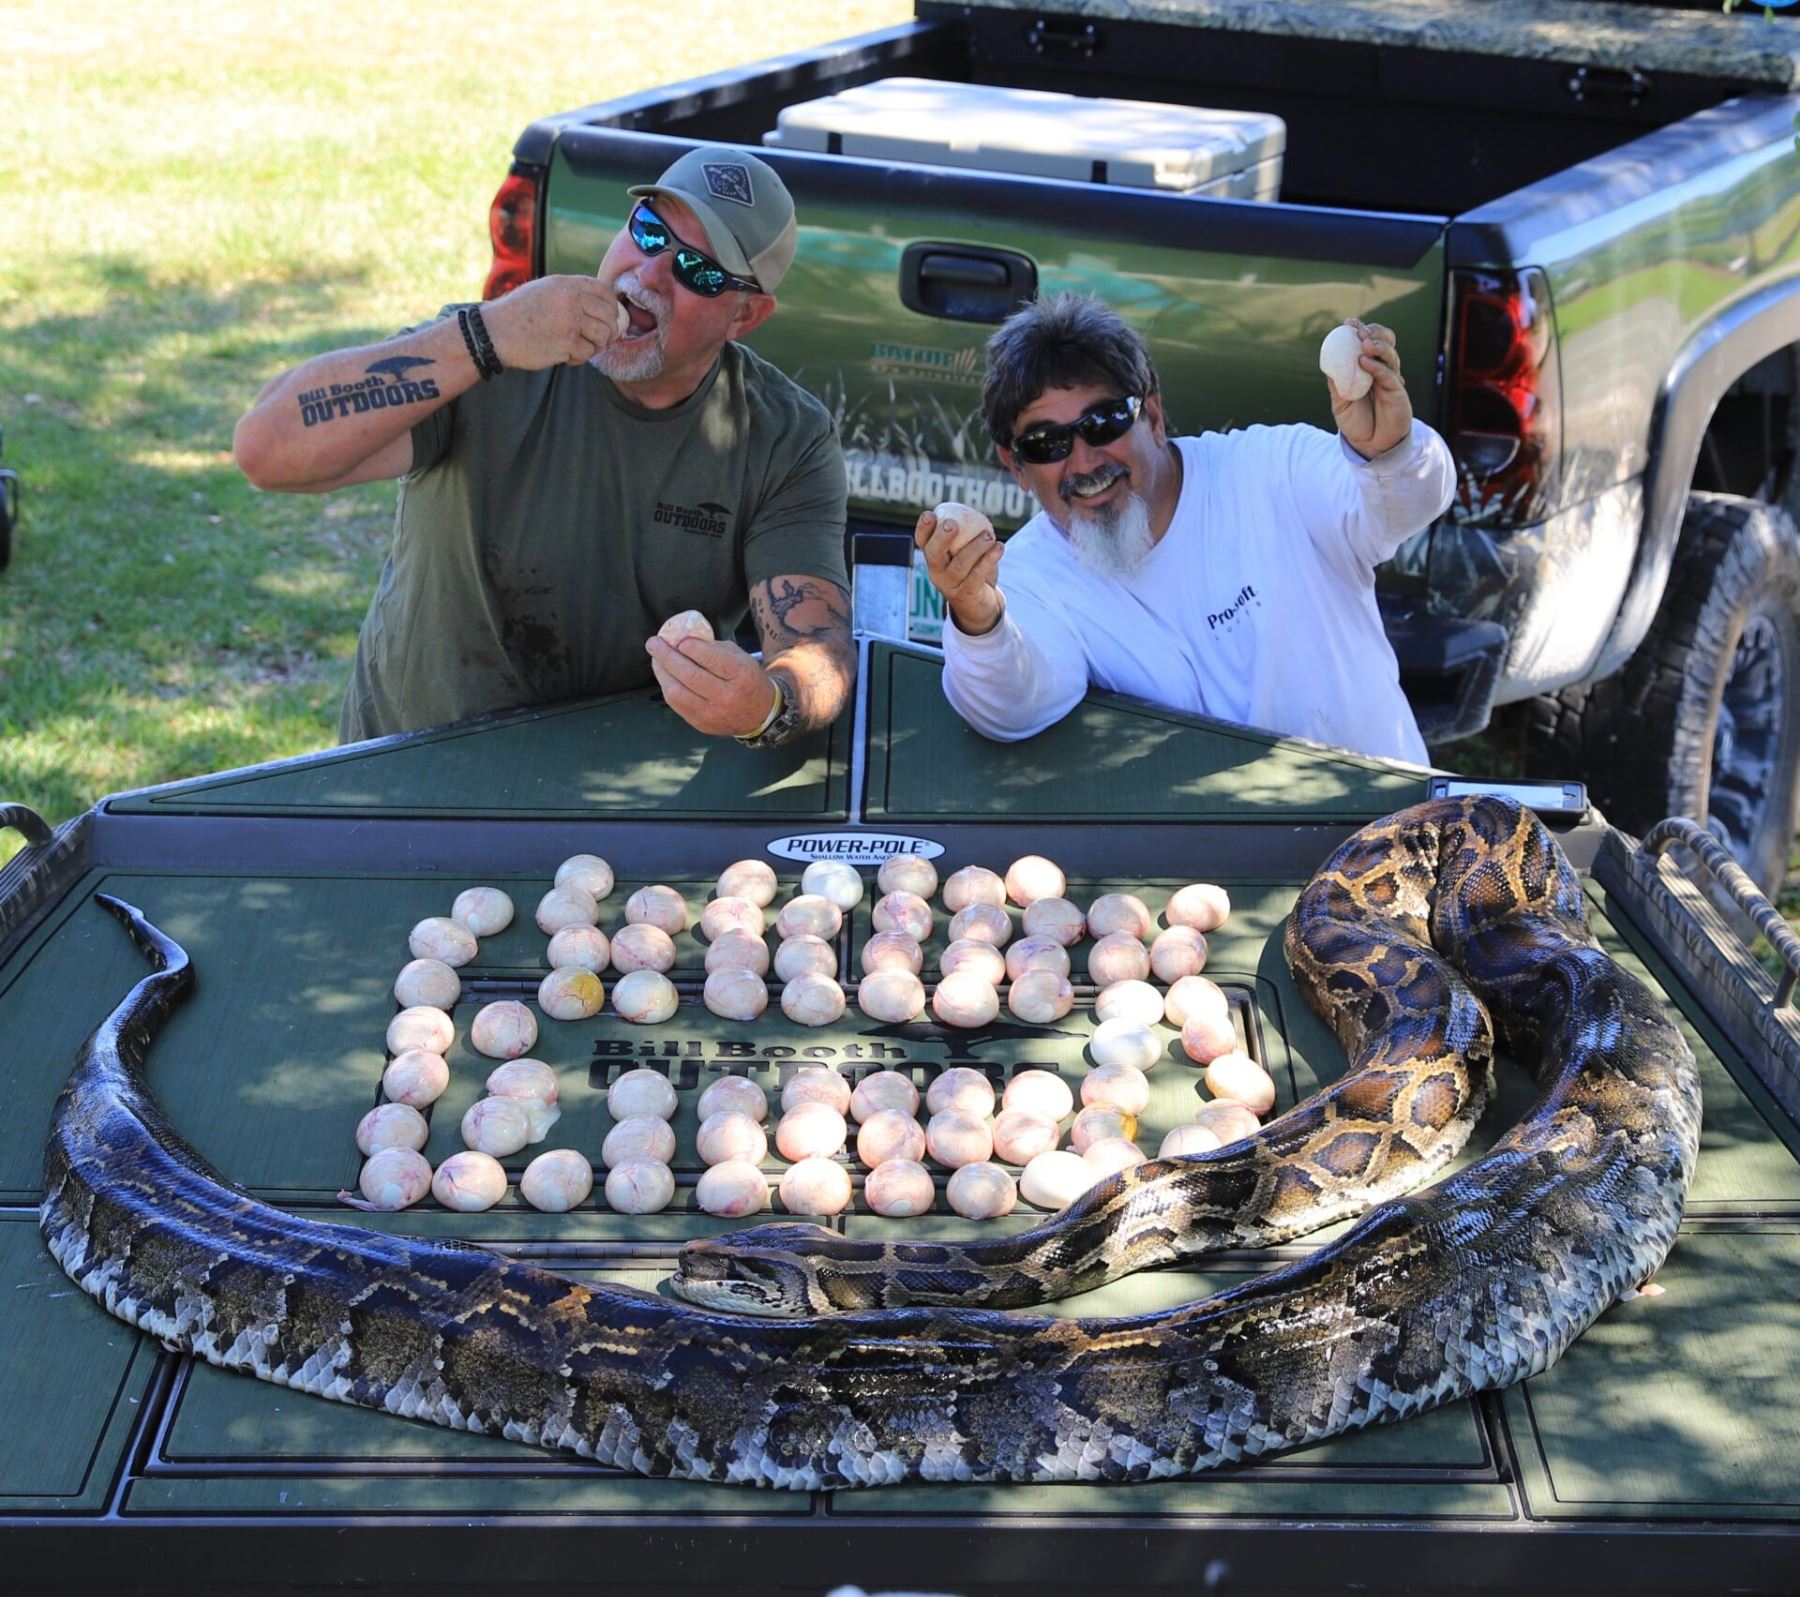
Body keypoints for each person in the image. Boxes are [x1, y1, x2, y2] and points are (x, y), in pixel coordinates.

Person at [233, 148, 853, 749]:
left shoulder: (784, 437)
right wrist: (484, 337)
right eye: (649, 232)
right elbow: (266, 451)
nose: (650, 274)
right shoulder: (492, 349)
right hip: (409, 763)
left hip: (607, 786)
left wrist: (765, 706)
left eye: (699, 271)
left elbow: (816, 651)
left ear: (745, 316)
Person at [914, 293, 1454, 764]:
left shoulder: (1271, 469)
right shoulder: (1030, 577)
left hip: (1396, 825)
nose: (1083, 462)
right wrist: (977, 615)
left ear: (1153, 416)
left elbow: (1402, 507)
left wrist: (1388, 450)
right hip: (1214, 848)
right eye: (1046, 444)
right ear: (1016, 468)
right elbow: (1012, 708)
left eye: (1103, 423)